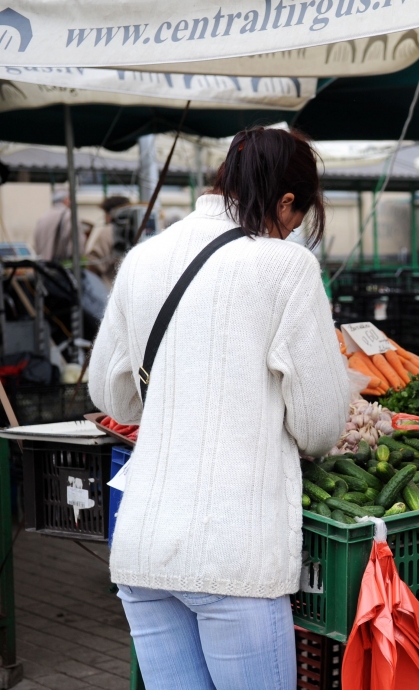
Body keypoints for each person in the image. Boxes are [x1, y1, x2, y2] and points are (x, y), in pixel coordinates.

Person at [89, 127, 350, 690]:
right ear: (285, 202)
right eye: (298, 216)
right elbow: (320, 424)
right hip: (236, 557)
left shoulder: (144, 257)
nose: (296, 230)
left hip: (143, 549)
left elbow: (110, 397)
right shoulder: (287, 268)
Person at [85, 195, 130, 288]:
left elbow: (94, 267)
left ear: (111, 214)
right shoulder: (143, 230)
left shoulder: (109, 231)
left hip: (111, 294)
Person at [32, 188, 87, 262]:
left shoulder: (42, 218)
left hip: (43, 269)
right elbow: (78, 248)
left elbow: (35, 247)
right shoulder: (70, 217)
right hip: (62, 269)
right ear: (66, 199)